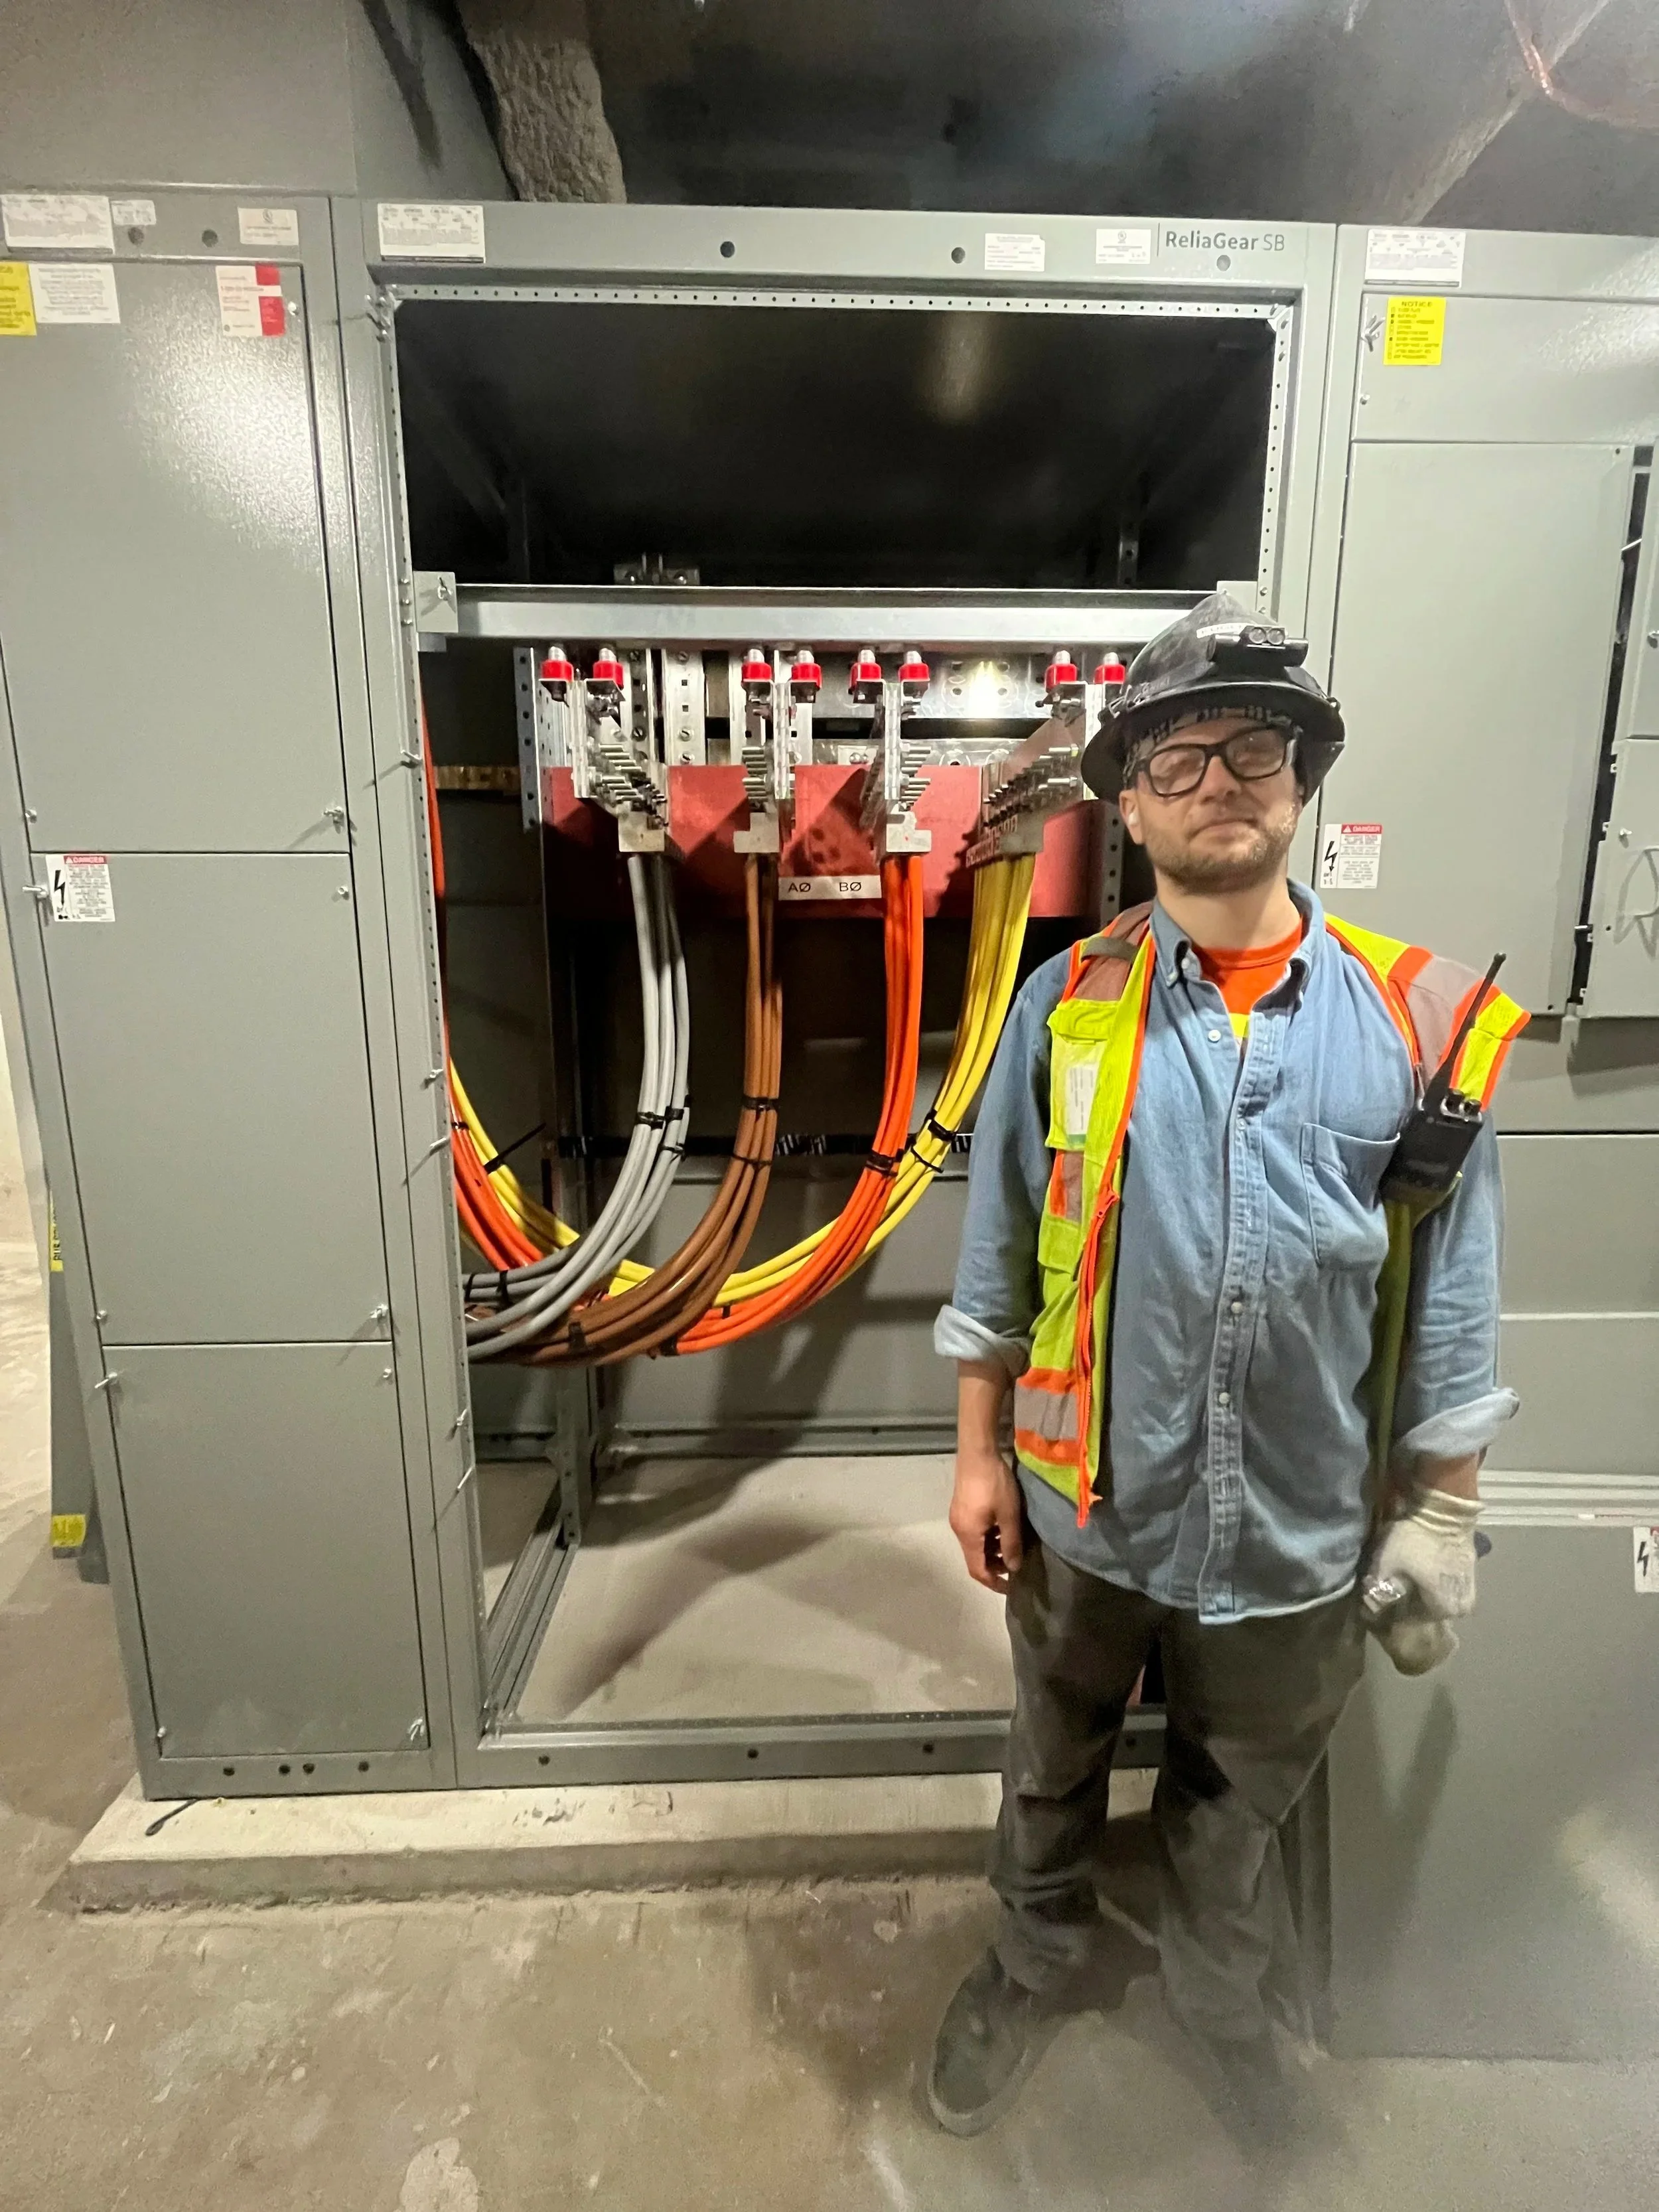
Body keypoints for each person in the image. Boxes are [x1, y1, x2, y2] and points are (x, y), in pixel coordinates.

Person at [926, 593, 1527, 2142]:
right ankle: (1032, 1961)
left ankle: (1216, 2004)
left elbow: (1452, 1290)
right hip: (1085, 1511)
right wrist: (978, 1453)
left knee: (1233, 1808)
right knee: (1049, 1768)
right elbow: (999, 1252)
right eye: (1177, 756)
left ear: (1301, 775)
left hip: (1297, 1529)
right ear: (1125, 800)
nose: (1218, 782)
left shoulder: (1418, 1020)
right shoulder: (1065, 1009)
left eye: (1252, 745)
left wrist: (1441, 1514)